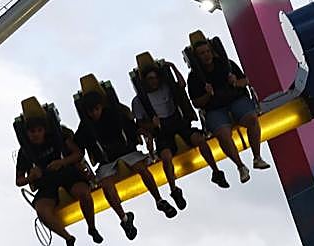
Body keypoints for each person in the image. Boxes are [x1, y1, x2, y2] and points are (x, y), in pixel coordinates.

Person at [75, 89, 176, 234]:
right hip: (107, 161)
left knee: (142, 168)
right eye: (90, 111)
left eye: (96, 109)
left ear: (101, 106)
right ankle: (124, 218)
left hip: (127, 152)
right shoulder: (85, 126)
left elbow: (133, 128)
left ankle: (159, 200)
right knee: (106, 185)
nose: (94, 113)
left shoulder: (115, 114)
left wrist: (146, 135)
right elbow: (78, 148)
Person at [132, 62, 228, 199]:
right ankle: (174, 189)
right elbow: (140, 123)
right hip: (162, 131)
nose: (154, 81)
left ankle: (216, 172)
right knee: (166, 157)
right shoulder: (139, 101)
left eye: (156, 78)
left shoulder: (167, 87)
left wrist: (172, 67)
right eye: (150, 79)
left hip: (178, 123)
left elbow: (181, 85)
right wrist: (151, 125)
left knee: (200, 140)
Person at [14, 103, 100, 246]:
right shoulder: (25, 152)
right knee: (41, 210)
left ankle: (92, 228)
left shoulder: (57, 137)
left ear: (44, 130)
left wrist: (62, 162)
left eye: (39, 130)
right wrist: (30, 177)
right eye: (32, 132)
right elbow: (19, 181)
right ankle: (68, 238)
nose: (36, 134)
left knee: (84, 193)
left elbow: (78, 154)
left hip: (66, 173)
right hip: (47, 183)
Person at [186, 38, 270, 184]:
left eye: (207, 51)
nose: (206, 55)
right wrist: (207, 94)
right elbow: (196, 103)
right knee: (222, 134)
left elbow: (245, 81)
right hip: (215, 108)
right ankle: (240, 166)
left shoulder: (226, 64)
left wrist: (235, 82)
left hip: (235, 99)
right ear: (197, 57)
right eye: (202, 53)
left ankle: (257, 157)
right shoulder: (194, 77)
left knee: (252, 119)